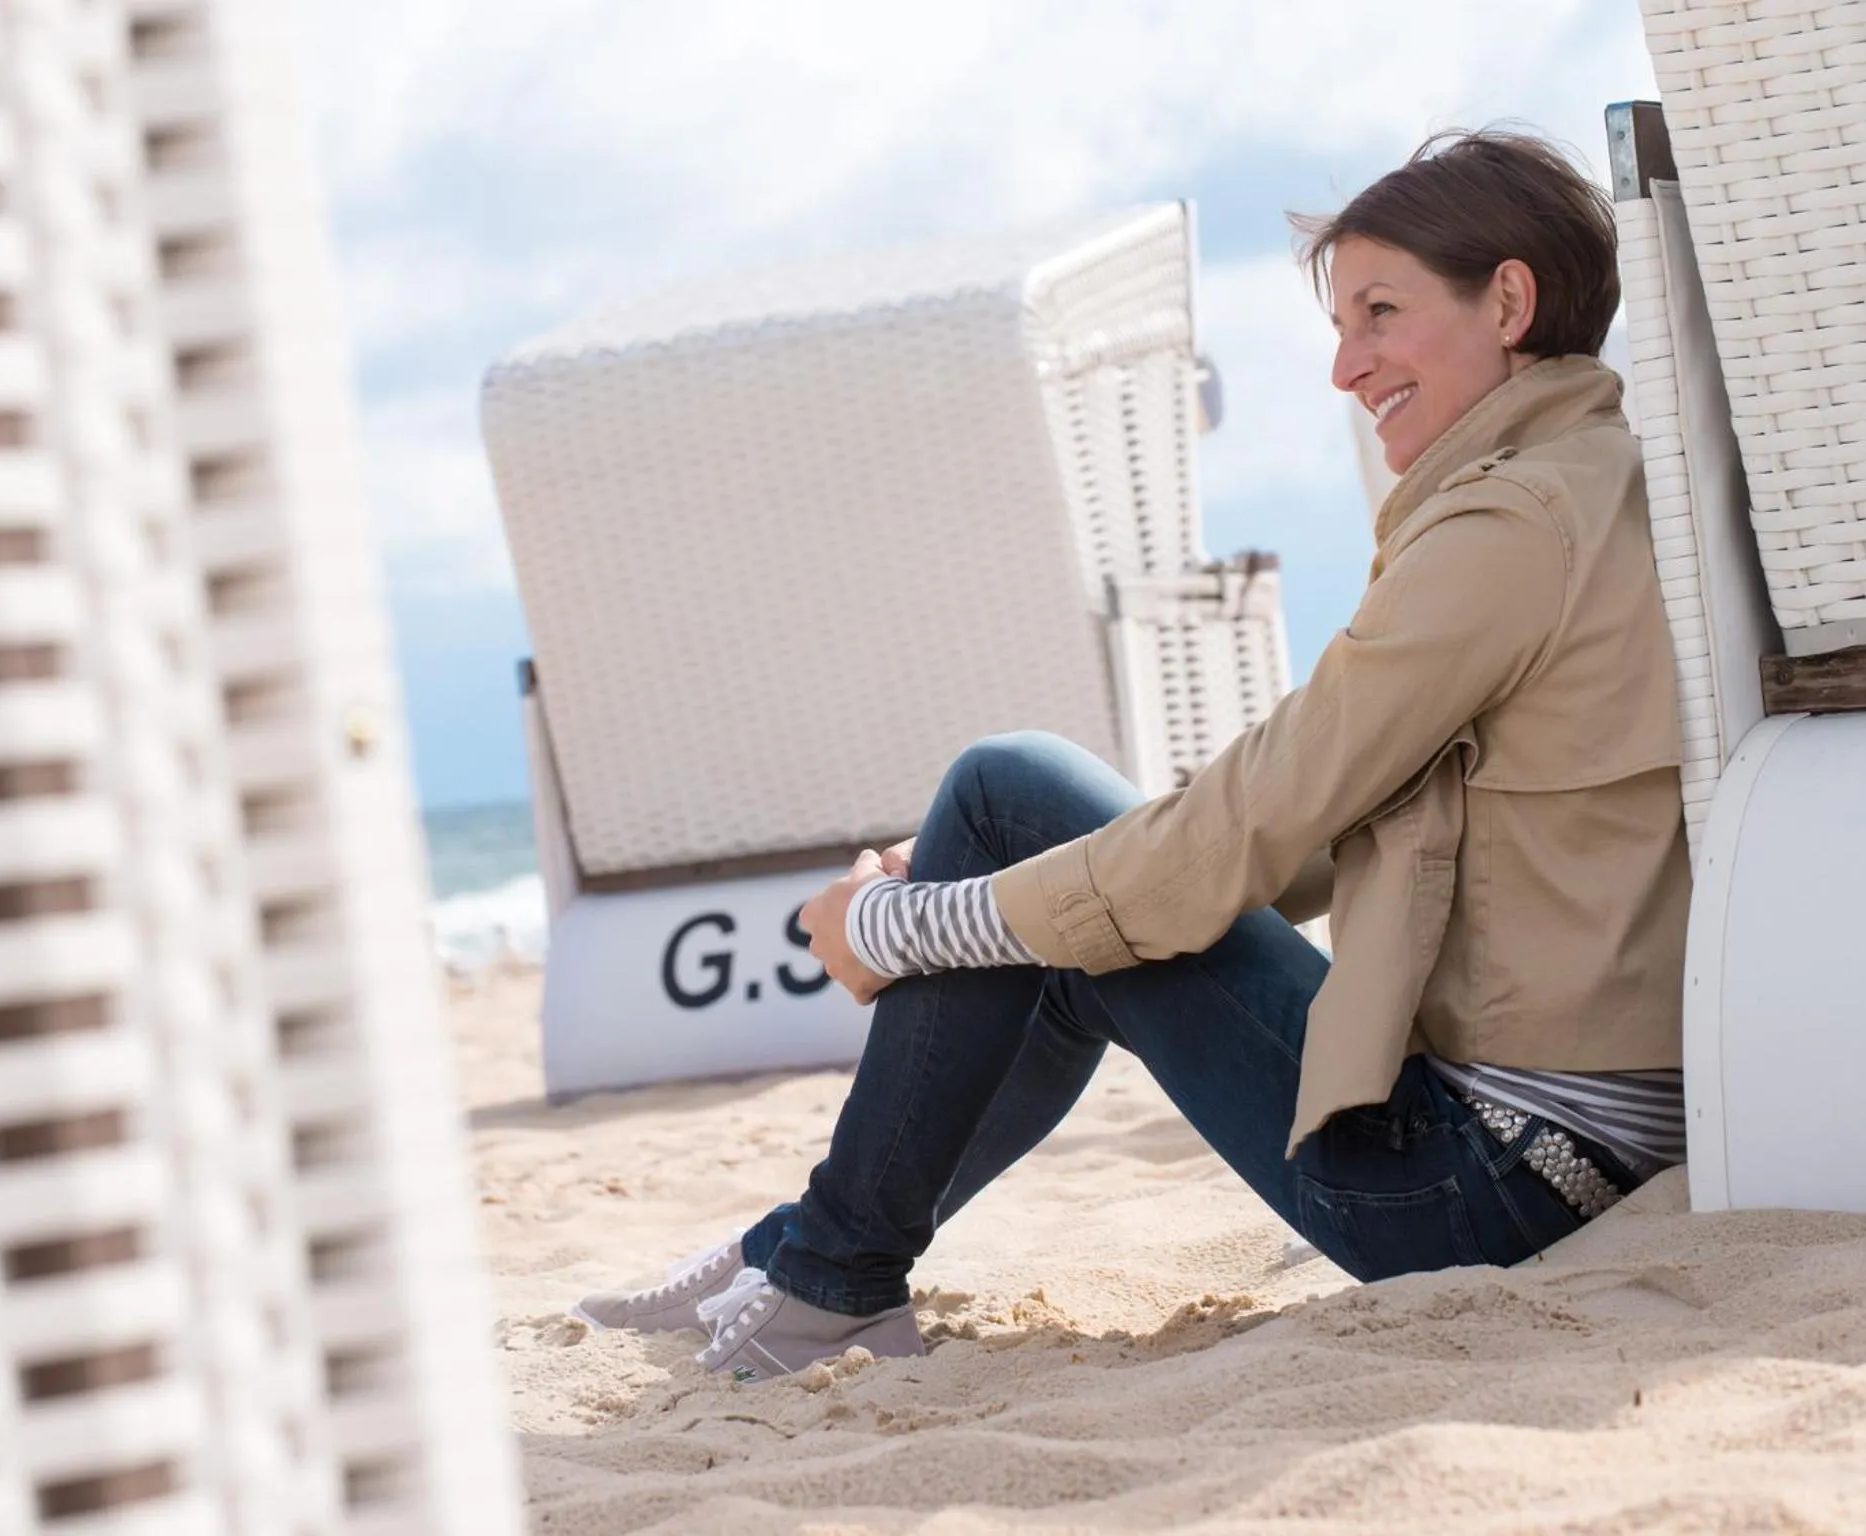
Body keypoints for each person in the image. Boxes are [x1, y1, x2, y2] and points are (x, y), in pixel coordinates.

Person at [576, 129, 1690, 1383]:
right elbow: (1316, 828)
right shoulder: (1582, 484)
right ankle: (810, 1260)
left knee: (1006, 789)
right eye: (1339, 323)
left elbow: (1251, 823)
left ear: (1506, 298)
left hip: (1481, 1182)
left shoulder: (1506, 521)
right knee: (1062, 917)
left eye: (1380, 312)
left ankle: (821, 1273)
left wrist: (900, 926)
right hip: (1550, 1160)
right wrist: (989, 899)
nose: (1343, 366)